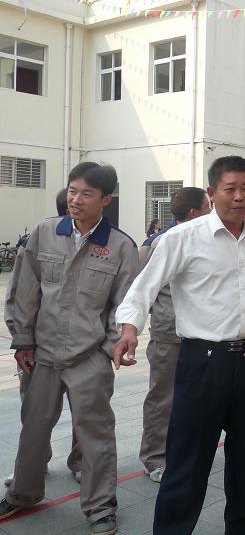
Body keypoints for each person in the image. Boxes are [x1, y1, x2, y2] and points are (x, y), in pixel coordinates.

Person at [113, 156, 245, 535]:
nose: (238, 197)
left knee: (244, 450)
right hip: (201, 362)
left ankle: (244, 523)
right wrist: (129, 329)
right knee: (188, 458)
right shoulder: (182, 238)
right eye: (230, 189)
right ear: (212, 192)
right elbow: (142, 289)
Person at [1, 163, 139, 535]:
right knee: (33, 428)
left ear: (105, 199)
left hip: (89, 357)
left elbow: (125, 305)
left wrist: (108, 348)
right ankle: (23, 493)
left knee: (95, 435)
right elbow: (24, 290)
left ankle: (100, 507)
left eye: (86, 194)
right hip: (42, 354)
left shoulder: (121, 246)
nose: (75, 200)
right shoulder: (45, 232)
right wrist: (22, 339)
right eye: (72, 191)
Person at [3, 188, 81, 488]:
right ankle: (33, 464)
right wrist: (23, 339)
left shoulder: (105, 243)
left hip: (83, 347)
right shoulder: (37, 241)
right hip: (40, 347)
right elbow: (18, 294)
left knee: (86, 413)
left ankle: (81, 462)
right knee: (35, 411)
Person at [138, 187, 210, 483]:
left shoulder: (205, 239)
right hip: (169, 333)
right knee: (162, 396)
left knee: (193, 396)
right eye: (207, 207)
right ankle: (154, 457)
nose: (211, 212)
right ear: (193, 213)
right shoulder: (160, 242)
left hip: (200, 334)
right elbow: (142, 287)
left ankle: (182, 449)